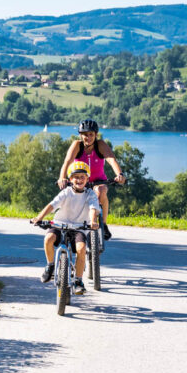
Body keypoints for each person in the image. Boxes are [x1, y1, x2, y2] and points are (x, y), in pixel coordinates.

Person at [31, 162, 100, 294]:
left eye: (82, 177)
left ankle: (78, 280)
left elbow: (93, 208)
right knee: (48, 239)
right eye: (76, 177)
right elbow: (52, 205)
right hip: (59, 225)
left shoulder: (90, 194)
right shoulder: (66, 192)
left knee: (81, 249)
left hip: (79, 228)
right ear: (70, 179)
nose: (79, 180)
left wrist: (92, 221)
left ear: (87, 179)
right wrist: (39, 218)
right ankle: (50, 266)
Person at [58, 119, 125, 240]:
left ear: (96, 135)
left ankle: (103, 224)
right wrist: (62, 177)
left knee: (101, 190)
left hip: (99, 181)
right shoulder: (77, 145)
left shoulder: (100, 145)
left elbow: (111, 160)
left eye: (91, 134)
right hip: (80, 182)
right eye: (85, 134)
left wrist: (119, 174)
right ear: (80, 135)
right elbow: (67, 162)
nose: (88, 137)